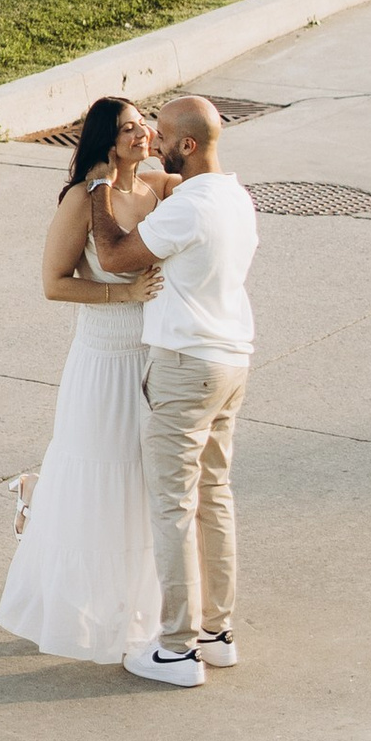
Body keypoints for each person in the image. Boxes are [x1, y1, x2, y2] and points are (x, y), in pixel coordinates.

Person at [86, 90, 257, 689]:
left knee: (173, 506)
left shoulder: (190, 209)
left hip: (185, 367)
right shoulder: (235, 197)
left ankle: (178, 650)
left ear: (187, 144)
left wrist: (98, 189)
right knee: (214, 496)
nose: (152, 143)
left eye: (160, 135)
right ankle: (217, 633)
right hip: (231, 361)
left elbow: (116, 255)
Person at [0, 95, 166, 662]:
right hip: (102, 360)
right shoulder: (80, 200)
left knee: (137, 483)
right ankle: (37, 497)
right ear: (105, 142)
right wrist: (125, 294)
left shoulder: (158, 189)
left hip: (151, 358)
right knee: (97, 476)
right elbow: (54, 282)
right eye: (128, 130)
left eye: (144, 124)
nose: (142, 135)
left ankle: (131, 608)